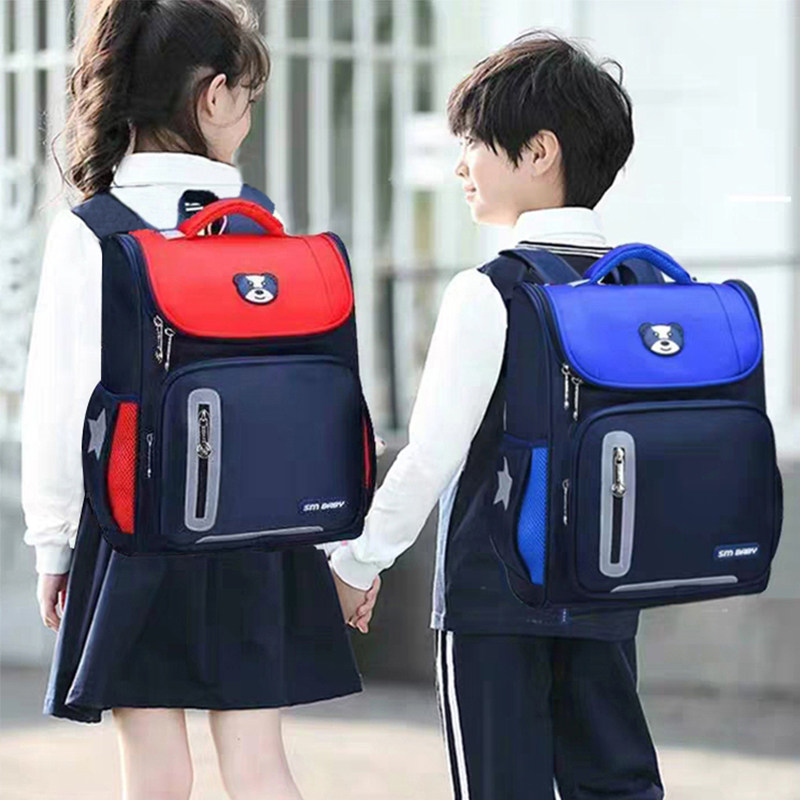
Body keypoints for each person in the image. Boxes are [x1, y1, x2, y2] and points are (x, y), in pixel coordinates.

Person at [21, 2, 376, 799]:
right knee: (259, 763)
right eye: (247, 99)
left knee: (156, 771)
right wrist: (331, 540)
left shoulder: (95, 230)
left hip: (135, 529)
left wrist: (54, 545)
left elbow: (60, 402)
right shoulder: (261, 227)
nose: (246, 118)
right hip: (256, 530)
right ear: (214, 97)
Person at [332, 30, 665, 800]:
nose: (461, 166)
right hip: (605, 589)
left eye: (474, 143)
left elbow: (432, 454)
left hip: (494, 599)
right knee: (615, 784)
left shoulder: (491, 290)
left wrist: (359, 563)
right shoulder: (642, 290)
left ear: (539, 151)